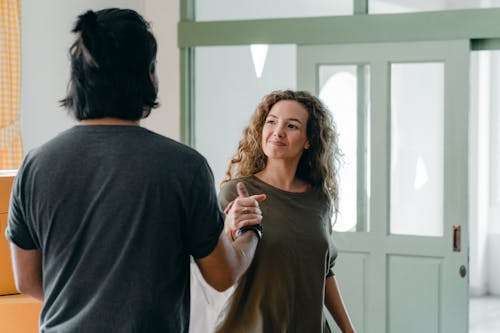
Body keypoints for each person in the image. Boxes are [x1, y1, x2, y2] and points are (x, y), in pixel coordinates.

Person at [5, 8, 265, 333]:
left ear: (79, 78)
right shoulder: (184, 167)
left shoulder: (35, 165)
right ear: (147, 74)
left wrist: (83, 301)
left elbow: (27, 280)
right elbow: (222, 275)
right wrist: (250, 233)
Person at [216, 90, 356, 333]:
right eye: (271, 122)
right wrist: (229, 229)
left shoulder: (319, 200)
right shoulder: (237, 194)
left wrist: (349, 330)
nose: (278, 132)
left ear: (309, 140)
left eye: (291, 126)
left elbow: (324, 273)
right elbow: (216, 265)